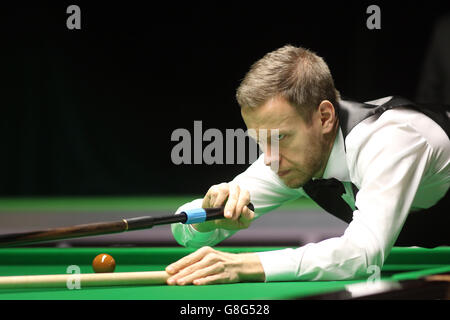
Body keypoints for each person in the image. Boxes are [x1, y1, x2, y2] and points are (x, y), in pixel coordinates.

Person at [165, 45, 450, 286]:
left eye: (280, 137)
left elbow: (362, 255)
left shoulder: (391, 139)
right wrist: (207, 217)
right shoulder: (286, 158)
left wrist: (244, 265)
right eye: (260, 141)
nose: (269, 158)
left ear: (325, 117)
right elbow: (184, 230)